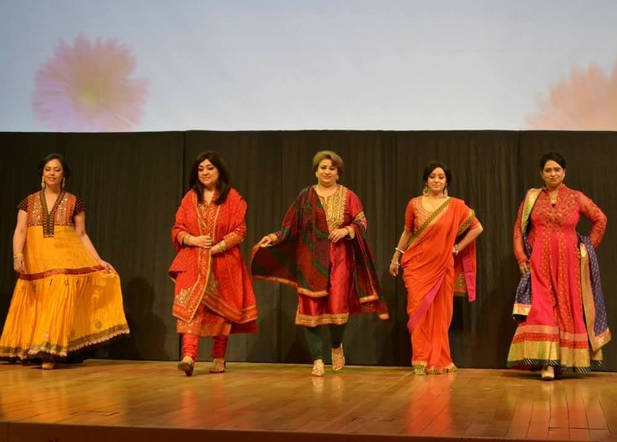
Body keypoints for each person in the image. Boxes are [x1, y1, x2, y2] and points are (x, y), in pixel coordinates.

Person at [251, 150, 388, 377]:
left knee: (337, 307)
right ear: (316, 171)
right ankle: (317, 360)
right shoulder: (305, 196)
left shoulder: (349, 196)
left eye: (332, 168)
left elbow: (362, 222)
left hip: (340, 259)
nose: (327, 172)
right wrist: (273, 237)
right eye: (323, 167)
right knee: (311, 309)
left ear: (338, 173)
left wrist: (346, 230)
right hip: (310, 258)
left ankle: (336, 345)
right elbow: (290, 226)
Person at [0, 153, 129, 369]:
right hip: (36, 259)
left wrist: (98, 260)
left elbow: (81, 234)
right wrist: (17, 254)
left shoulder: (74, 202)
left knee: (59, 295)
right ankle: (27, 348)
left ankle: (49, 352)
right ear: (42, 173)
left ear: (64, 175)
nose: (52, 173)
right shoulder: (28, 202)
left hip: (65, 257)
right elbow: (20, 230)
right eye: (48, 169)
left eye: (56, 169)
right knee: (37, 300)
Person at [506, 152, 611, 380]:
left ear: (564, 172)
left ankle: (564, 361)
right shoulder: (532, 199)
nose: (553, 174)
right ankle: (547, 364)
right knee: (542, 309)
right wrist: (521, 258)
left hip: (569, 264)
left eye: (557, 170)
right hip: (539, 262)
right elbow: (517, 230)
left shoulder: (575, 197)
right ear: (541, 174)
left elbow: (600, 219)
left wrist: (586, 249)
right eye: (548, 170)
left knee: (566, 308)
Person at [169, 151, 258, 377]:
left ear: (219, 171)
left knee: (221, 310)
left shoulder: (232, 198)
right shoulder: (190, 198)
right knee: (191, 306)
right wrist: (194, 240)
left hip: (223, 261)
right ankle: (188, 357)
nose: (205, 172)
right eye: (200, 169)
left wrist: (216, 248)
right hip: (193, 260)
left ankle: (219, 357)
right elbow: (177, 229)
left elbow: (240, 230)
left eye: (210, 168)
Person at [390, 161, 483, 375]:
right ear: (426, 180)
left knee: (440, 314)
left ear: (446, 181)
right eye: (432, 176)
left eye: (441, 177)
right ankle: (420, 359)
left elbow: (477, 227)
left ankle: (437, 360)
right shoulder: (414, 204)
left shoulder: (455, 205)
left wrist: (457, 247)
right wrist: (395, 258)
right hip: (416, 265)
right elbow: (407, 232)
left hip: (442, 267)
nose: (437, 180)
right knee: (417, 310)